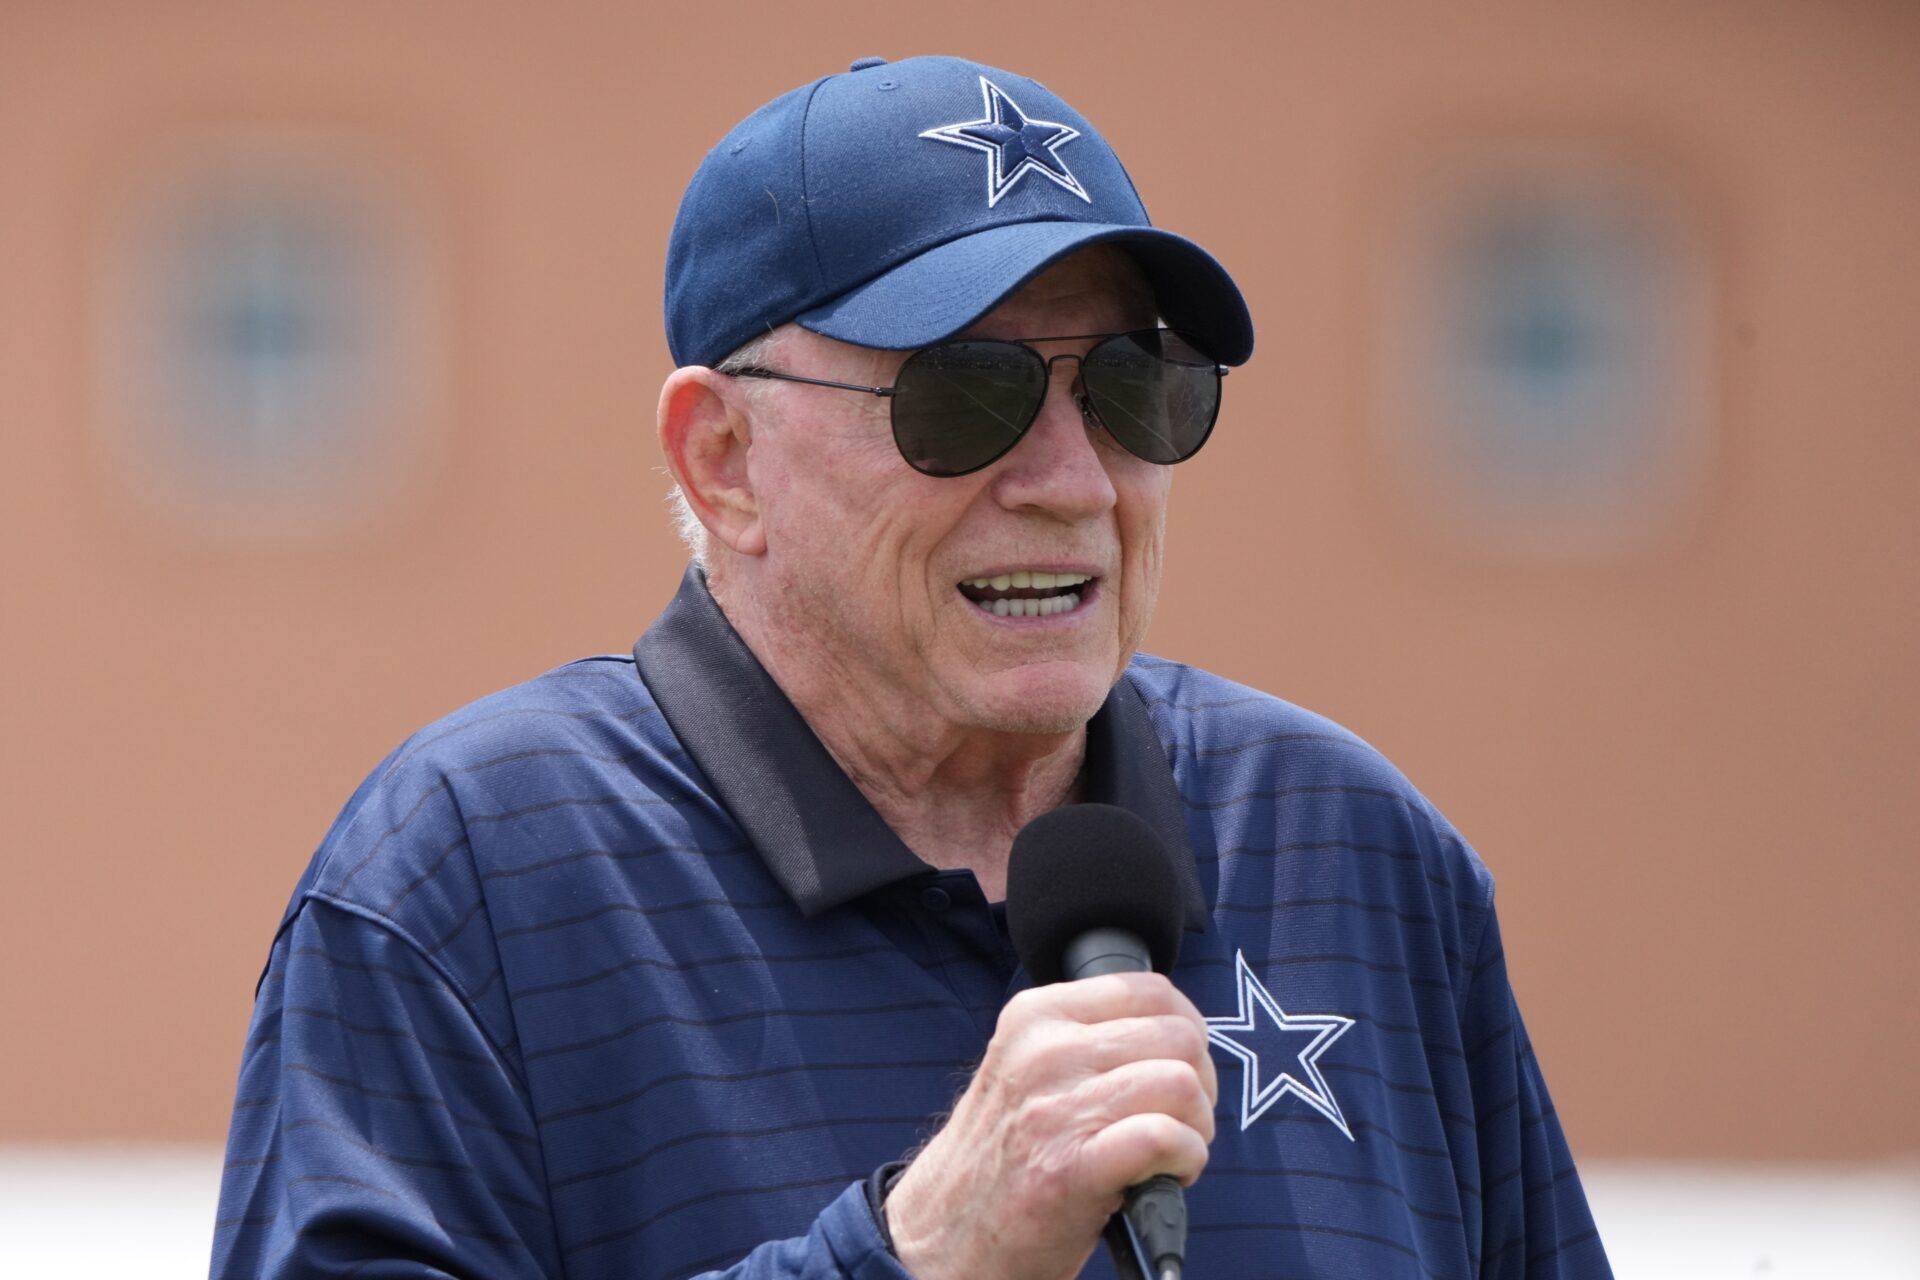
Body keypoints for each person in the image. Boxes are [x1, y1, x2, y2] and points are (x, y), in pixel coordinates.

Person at [212, 55, 1611, 1280]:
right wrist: (917, 1256)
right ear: (725, 459)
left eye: (1136, 385)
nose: (1073, 482)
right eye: (965, 392)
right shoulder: (470, 880)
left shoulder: (1354, 851)